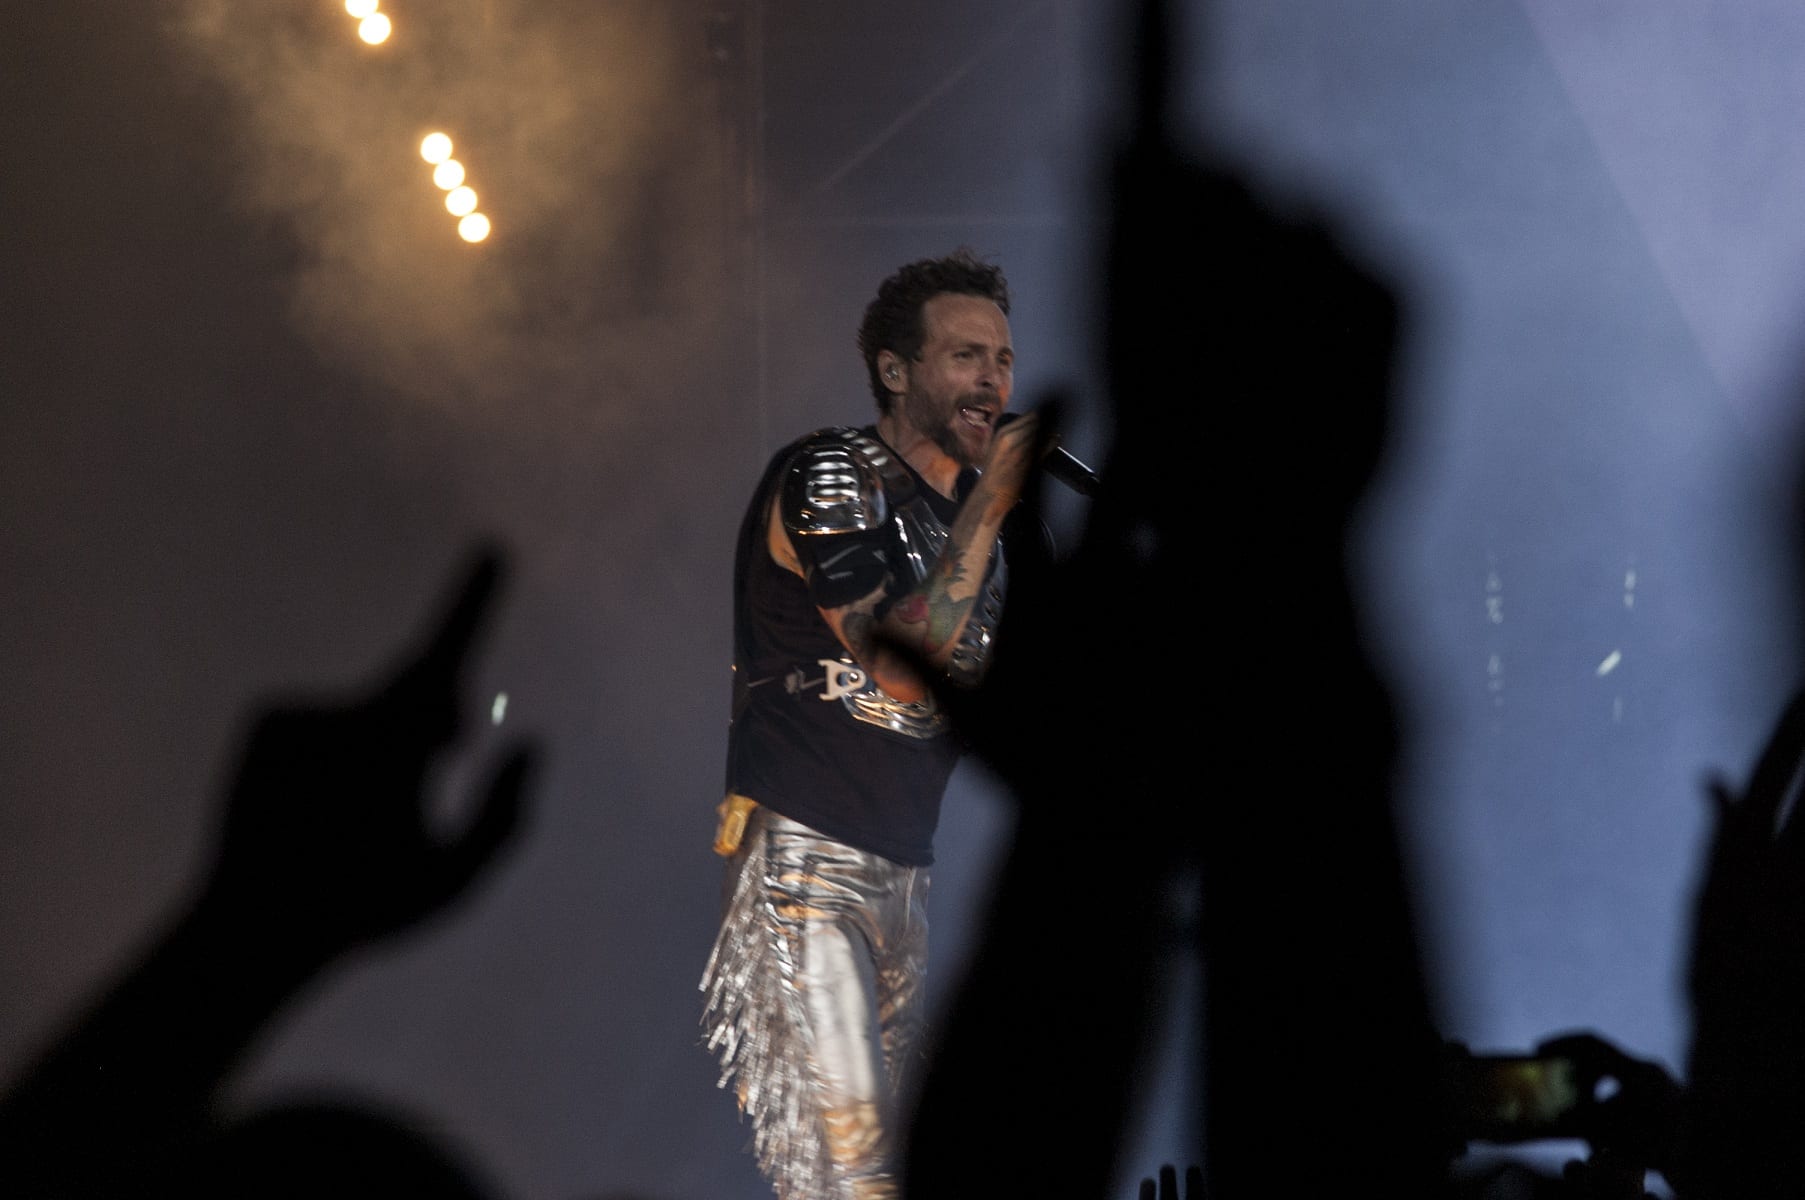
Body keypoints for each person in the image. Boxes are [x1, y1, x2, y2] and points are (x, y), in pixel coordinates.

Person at [699, 249, 1040, 1200]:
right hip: (808, 859)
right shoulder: (833, 473)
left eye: (1003, 361)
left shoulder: (980, 526)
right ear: (895, 370)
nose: (992, 381)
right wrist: (993, 503)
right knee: (858, 1171)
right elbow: (895, 664)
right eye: (966, 356)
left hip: (906, 870)